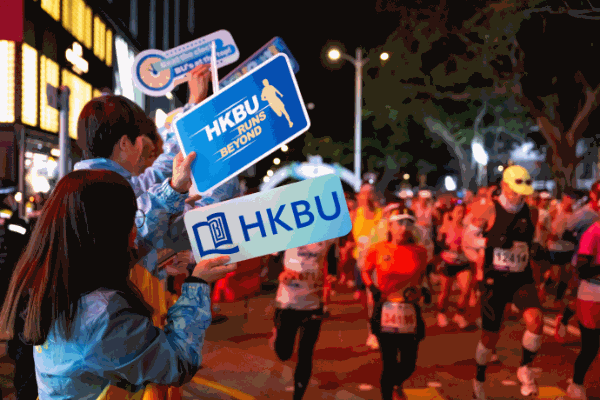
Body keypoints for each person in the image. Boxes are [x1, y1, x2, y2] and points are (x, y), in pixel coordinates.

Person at [0, 170, 236, 399]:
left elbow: (137, 242)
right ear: (107, 234)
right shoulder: (102, 318)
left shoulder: (51, 278)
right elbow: (178, 363)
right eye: (130, 221)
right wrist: (198, 284)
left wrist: (174, 191)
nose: (135, 230)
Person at [465, 165, 543, 399]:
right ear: (504, 186)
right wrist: (490, 242)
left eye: (524, 189)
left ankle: (525, 368)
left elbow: (531, 246)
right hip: (495, 278)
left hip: (521, 276)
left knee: (536, 322)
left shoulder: (533, 212)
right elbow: (467, 239)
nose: (520, 194)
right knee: (490, 336)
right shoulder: (487, 208)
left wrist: (539, 268)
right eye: (516, 188)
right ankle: (479, 377)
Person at [362, 208, 428, 400]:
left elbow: (422, 277)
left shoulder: (420, 251)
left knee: (409, 364)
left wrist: (424, 291)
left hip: (410, 310)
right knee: (389, 362)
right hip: (386, 309)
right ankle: (387, 394)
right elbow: (366, 270)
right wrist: (371, 287)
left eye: (408, 223)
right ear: (390, 226)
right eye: (399, 223)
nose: (403, 227)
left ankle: (396, 383)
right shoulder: (378, 249)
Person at [270, 239, 335, 400]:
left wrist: (333, 275)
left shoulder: (330, 234)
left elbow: (333, 258)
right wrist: (281, 273)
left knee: (306, 352)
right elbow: (272, 260)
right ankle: (277, 334)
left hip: (313, 302)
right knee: (283, 352)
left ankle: (298, 396)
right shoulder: (287, 230)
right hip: (287, 302)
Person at [565, 213, 600, 399]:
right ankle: (576, 383)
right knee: (590, 347)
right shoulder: (593, 232)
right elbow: (583, 269)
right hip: (592, 295)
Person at [436, 203, 472, 329]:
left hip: (463, 262)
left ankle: (459, 314)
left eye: (462, 212)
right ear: (451, 213)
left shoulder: (467, 228)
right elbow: (438, 246)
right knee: (445, 292)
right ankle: (441, 313)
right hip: (448, 262)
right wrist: (448, 247)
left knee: (467, 290)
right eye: (457, 212)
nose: (460, 215)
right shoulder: (445, 228)